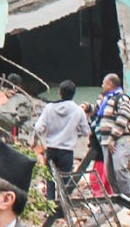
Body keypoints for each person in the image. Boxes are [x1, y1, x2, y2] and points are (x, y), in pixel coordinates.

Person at [30, 80, 88, 210]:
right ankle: (63, 208)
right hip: (67, 151)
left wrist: (35, 142)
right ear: (73, 94)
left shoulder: (49, 108)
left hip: (51, 150)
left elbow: (38, 128)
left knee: (50, 179)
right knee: (65, 181)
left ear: (60, 93)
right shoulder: (78, 111)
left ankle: (50, 208)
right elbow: (85, 131)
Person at [93, 73, 130, 196]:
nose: (102, 86)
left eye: (104, 83)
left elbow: (123, 117)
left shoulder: (123, 99)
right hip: (107, 142)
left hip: (119, 141)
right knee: (111, 174)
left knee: (120, 170)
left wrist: (113, 138)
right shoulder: (107, 100)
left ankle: (129, 200)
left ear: (110, 84)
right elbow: (98, 112)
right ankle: (119, 199)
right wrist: (88, 108)